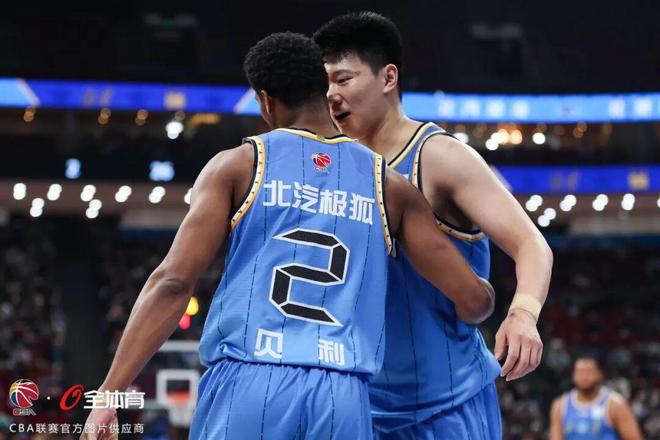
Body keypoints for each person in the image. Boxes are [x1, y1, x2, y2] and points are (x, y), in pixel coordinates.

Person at [81, 32, 495, 440]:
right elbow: (474, 302)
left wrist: (109, 394)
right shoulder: (387, 184)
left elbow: (173, 283)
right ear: (323, 89)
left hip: (250, 378)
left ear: (266, 100)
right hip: (343, 395)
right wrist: (492, 295)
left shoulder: (239, 165)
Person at [314, 12, 554, 439]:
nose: (332, 95)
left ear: (388, 77)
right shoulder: (332, 166)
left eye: (343, 79)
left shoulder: (439, 156)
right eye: (325, 83)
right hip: (363, 406)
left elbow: (531, 245)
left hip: (447, 407)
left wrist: (523, 314)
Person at [550, 355, 642, 440]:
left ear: (599, 374)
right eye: (580, 372)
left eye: (589, 372)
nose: (584, 376)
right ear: (573, 375)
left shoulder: (615, 404)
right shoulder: (560, 405)